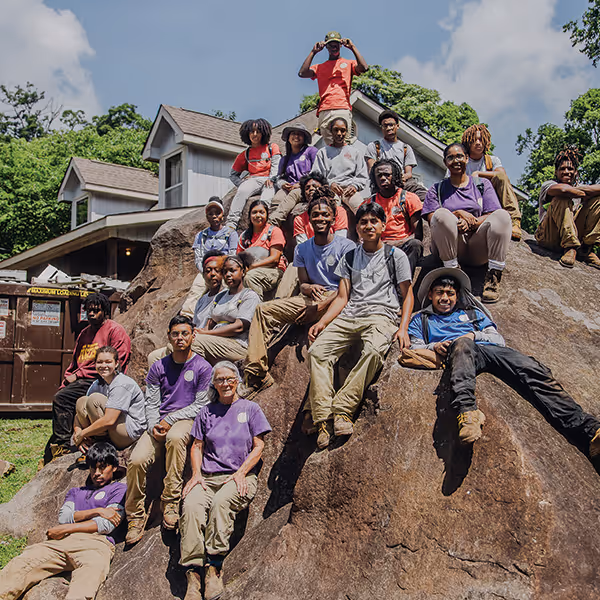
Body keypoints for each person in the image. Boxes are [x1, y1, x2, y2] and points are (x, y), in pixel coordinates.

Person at [407, 267, 600, 454]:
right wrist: (434, 347)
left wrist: (472, 335)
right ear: (430, 294)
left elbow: (498, 339)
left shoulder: (473, 313)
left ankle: (590, 430)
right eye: (439, 292)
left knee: (530, 368)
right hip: (460, 353)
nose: (445, 298)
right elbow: (414, 347)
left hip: (489, 350)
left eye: (450, 293)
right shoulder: (421, 320)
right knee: (463, 345)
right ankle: (467, 412)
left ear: (457, 296)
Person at [307, 201, 414, 449]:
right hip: (350, 315)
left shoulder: (395, 256)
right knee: (318, 352)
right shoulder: (350, 256)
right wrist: (323, 322)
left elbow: (408, 295)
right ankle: (323, 419)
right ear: (357, 228)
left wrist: (403, 327)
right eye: (363, 222)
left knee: (375, 350)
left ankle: (343, 408)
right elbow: (343, 297)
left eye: (373, 221)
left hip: (381, 315)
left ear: (383, 225)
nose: (368, 226)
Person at [242, 187, 356, 398]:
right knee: (263, 310)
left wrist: (322, 304)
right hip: (309, 298)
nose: (320, 218)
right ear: (309, 218)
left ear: (333, 217)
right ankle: (257, 373)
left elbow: (348, 289)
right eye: (315, 214)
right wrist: (309, 288)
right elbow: (303, 283)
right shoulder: (302, 249)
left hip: (337, 301)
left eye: (324, 214)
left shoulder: (347, 247)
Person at [179, 362, 271, 600]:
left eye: (230, 378)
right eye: (220, 379)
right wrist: (196, 474)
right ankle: (193, 574)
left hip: (238, 477)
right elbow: (197, 446)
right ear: (213, 384)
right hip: (207, 477)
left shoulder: (250, 409)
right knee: (191, 506)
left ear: (238, 380)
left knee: (221, 503)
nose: (226, 383)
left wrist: (241, 472)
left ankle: (213, 567)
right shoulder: (206, 412)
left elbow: (259, 446)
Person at [125, 315, 212, 545]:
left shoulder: (203, 367)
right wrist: (154, 424)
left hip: (186, 419)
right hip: (158, 421)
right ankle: (134, 515)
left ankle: (171, 501)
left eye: (185, 333)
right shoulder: (158, 367)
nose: (180, 338)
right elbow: (151, 402)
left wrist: (170, 420)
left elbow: (200, 404)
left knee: (174, 438)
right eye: (175, 334)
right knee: (136, 460)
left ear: (193, 336)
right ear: (169, 337)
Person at [0, 442, 126, 600]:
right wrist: (98, 510)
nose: (97, 473)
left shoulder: (119, 490)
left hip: (95, 544)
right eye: (93, 468)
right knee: (21, 565)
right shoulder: (75, 492)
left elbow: (106, 525)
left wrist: (66, 528)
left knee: (88, 578)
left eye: (103, 468)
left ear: (114, 467)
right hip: (62, 542)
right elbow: (64, 517)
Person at [44, 292, 131, 464]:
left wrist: (79, 375)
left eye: (96, 310)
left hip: (102, 380)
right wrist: (69, 376)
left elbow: (116, 362)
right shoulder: (84, 333)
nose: (91, 314)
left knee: (61, 399)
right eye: (88, 311)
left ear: (105, 311)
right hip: (81, 379)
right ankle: (63, 443)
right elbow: (75, 362)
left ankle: (63, 447)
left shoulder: (115, 331)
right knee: (63, 397)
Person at [423, 143, 511, 304]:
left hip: (477, 246)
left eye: (459, 156)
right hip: (451, 247)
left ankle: (493, 276)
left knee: (503, 215)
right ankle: (452, 272)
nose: (455, 160)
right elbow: (432, 219)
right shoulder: (437, 189)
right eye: (450, 157)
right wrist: (457, 215)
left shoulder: (482, 184)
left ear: (467, 158)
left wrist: (473, 222)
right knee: (441, 214)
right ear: (445, 163)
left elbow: (492, 213)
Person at [148, 252, 226, 367]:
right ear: (203, 275)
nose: (212, 274)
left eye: (216, 270)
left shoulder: (225, 296)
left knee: (174, 347)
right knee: (153, 357)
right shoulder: (202, 300)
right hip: (194, 337)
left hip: (208, 341)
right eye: (208, 271)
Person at [73, 346, 146, 455]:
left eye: (108, 362)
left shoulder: (121, 383)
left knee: (94, 400)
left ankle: (101, 444)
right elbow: (78, 415)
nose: (103, 366)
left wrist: (83, 433)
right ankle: (90, 443)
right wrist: (78, 433)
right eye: (99, 362)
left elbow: (109, 420)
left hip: (128, 432)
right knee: (82, 401)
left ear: (116, 363)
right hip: (110, 429)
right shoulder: (97, 384)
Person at [298, 31, 368, 145]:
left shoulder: (348, 63)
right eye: (330, 45)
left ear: (340, 45)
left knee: (344, 144)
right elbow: (302, 73)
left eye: (336, 44)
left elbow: (364, 67)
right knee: (329, 146)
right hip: (325, 109)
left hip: (342, 107)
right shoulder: (320, 67)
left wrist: (352, 47)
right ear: (326, 46)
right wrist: (313, 52)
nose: (333, 47)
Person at [535, 147, 600, 269]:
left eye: (570, 169)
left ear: (576, 172)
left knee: (598, 201)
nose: (566, 172)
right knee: (562, 197)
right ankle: (570, 246)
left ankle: (586, 248)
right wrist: (586, 193)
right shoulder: (548, 185)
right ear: (556, 172)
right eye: (562, 169)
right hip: (549, 236)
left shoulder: (578, 187)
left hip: (575, 235)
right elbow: (563, 190)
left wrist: (579, 191)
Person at [191, 255, 261, 365]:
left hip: (237, 344)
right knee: (180, 343)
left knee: (193, 342)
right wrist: (200, 332)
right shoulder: (220, 297)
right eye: (225, 271)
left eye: (232, 271)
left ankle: (208, 374)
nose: (228, 275)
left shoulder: (249, 296)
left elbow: (239, 327)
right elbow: (209, 323)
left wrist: (209, 333)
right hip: (215, 342)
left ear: (242, 272)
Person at [461, 124, 522, 241]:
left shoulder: (492, 160)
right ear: (468, 142)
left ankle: (515, 220)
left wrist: (478, 174)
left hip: (491, 201)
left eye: (481, 139)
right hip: (469, 202)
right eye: (474, 140)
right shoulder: (461, 161)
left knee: (500, 177)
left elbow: (501, 175)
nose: (478, 143)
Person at [181, 198, 238, 317]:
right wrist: (205, 272)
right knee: (196, 289)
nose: (214, 216)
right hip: (205, 270)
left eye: (217, 213)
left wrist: (222, 270)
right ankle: (186, 318)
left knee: (227, 289)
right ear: (206, 216)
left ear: (222, 214)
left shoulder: (231, 234)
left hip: (223, 270)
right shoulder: (201, 235)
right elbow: (198, 257)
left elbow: (233, 255)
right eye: (210, 214)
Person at [367, 158, 423, 274]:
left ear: (396, 175)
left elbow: (418, 234)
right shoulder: (369, 203)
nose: (383, 178)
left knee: (415, 244)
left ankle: (403, 286)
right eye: (379, 175)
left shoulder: (408, 198)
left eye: (387, 175)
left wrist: (396, 243)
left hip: (403, 245)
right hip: (378, 247)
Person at [226, 119, 281, 229]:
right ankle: (231, 224)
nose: (254, 134)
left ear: (264, 133)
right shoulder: (245, 154)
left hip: (269, 179)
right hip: (253, 180)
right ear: (247, 134)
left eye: (258, 131)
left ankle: (264, 225)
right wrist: (241, 183)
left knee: (266, 197)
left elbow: (277, 165)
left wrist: (272, 178)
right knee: (241, 191)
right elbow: (233, 174)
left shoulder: (272, 147)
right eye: (251, 132)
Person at [365, 109, 426, 202]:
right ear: (381, 127)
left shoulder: (406, 148)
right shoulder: (374, 146)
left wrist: (401, 178)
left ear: (397, 126)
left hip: (402, 182)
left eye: (391, 125)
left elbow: (409, 173)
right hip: (382, 182)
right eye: (385, 125)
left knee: (426, 195)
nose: (388, 128)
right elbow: (372, 171)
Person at [311, 117, 368, 214]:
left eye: (342, 130)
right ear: (331, 131)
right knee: (332, 211)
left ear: (347, 132)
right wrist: (329, 184)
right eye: (336, 130)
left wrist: (355, 186)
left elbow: (362, 176)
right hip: (330, 190)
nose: (339, 133)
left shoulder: (355, 152)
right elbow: (316, 175)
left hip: (349, 191)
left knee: (363, 211)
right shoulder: (323, 153)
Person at [236, 200, 287, 299]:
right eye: (254, 212)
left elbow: (275, 259)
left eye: (261, 212)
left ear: (267, 215)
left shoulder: (274, 231)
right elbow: (238, 260)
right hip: (250, 271)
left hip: (274, 271)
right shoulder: (244, 237)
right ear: (249, 216)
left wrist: (252, 266)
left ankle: (257, 308)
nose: (258, 215)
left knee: (250, 277)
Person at [269, 123, 318, 220]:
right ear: (288, 138)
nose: (296, 136)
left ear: (304, 138)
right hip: (289, 187)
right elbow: (279, 178)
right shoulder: (284, 159)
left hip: (306, 187)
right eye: (293, 134)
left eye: (299, 134)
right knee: (277, 199)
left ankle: (273, 222)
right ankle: (277, 227)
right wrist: (283, 184)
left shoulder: (311, 151)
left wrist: (301, 184)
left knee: (293, 194)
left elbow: (317, 171)